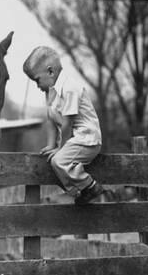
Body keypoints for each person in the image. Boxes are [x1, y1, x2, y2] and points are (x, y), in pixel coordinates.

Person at [22, 46, 104, 205]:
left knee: (58, 161)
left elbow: (67, 123)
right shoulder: (54, 92)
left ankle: (90, 186)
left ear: (50, 72)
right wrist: (51, 145)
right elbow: (51, 119)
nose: (37, 86)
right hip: (76, 141)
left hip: (87, 140)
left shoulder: (70, 87)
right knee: (51, 162)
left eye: (37, 80)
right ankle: (78, 191)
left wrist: (60, 149)